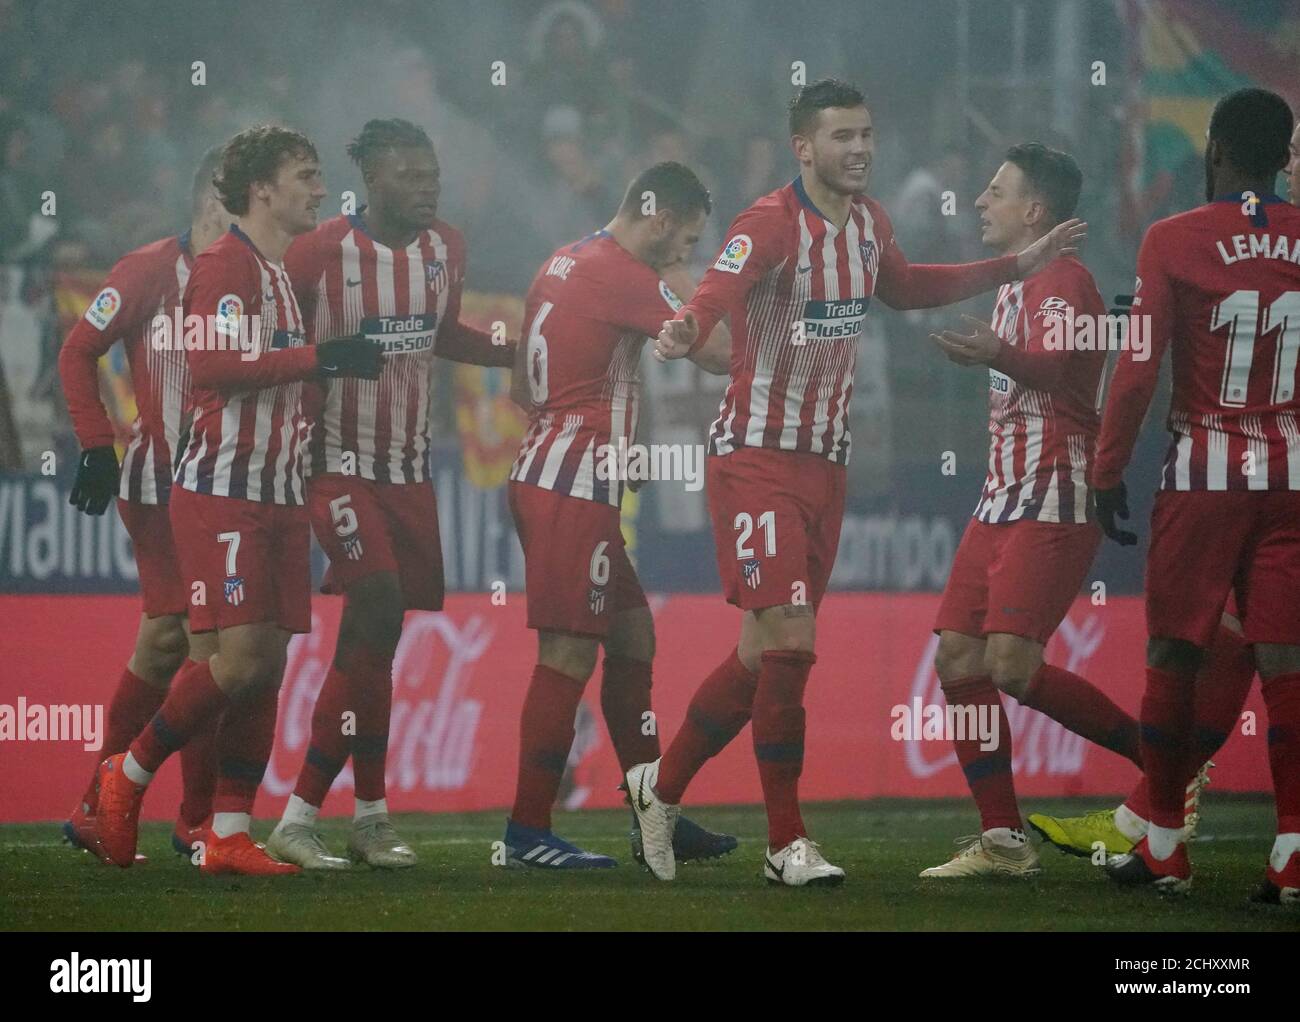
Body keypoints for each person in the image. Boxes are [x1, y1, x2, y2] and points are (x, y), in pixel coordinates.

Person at [634, 79, 1085, 886]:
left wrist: (1013, 265)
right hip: (757, 459)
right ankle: (786, 845)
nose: (860, 150)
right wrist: (687, 328)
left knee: (756, 655)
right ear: (803, 148)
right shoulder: (768, 223)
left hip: (826, 466)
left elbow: (906, 287)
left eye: (867, 135)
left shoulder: (872, 224)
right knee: (793, 643)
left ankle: (657, 791)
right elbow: (719, 289)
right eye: (842, 137)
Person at [92, 125, 382, 876]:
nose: (321, 189)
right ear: (262, 189)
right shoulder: (225, 264)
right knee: (238, 654)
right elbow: (214, 365)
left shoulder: (278, 270)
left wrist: (335, 372)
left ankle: (225, 831)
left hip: (280, 492)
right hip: (224, 490)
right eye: (307, 175)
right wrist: (322, 356)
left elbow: (276, 374)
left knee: (269, 664)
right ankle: (122, 781)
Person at [267, 118, 515, 870]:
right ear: (372, 181)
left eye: (431, 173)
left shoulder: (447, 248)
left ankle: (366, 816)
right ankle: (303, 813)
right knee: (374, 606)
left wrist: (512, 353)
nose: (426, 186)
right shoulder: (317, 253)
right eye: (409, 175)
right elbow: (277, 346)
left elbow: (439, 335)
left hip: (410, 472)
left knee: (374, 644)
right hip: (335, 464)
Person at [1094, 88, 1300, 903]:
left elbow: (1139, 366)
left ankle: (1166, 847)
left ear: (1215, 149)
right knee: (1286, 660)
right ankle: (1291, 855)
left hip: (1205, 473)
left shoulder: (1173, 239)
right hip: (1292, 474)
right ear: (1285, 156)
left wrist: (1107, 470)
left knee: (1172, 652)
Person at [503, 161, 737, 868]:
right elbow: (722, 355)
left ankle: (649, 814)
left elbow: (519, 382)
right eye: (687, 240)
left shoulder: (565, 258)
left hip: (554, 472)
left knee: (633, 635)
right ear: (660, 219)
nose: (685, 255)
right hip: (572, 483)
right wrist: (707, 284)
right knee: (568, 652)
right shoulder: (626, 276)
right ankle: (526, 832)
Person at [58, 145, 230, 863]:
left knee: (166, 641)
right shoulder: (148, 270)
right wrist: (96, 443)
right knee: (208, 646)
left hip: (229, 488)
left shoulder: (261, 277)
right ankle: (197, 822)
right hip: (161, 487)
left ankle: (99, 803)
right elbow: (77, 350)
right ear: (212, 202)